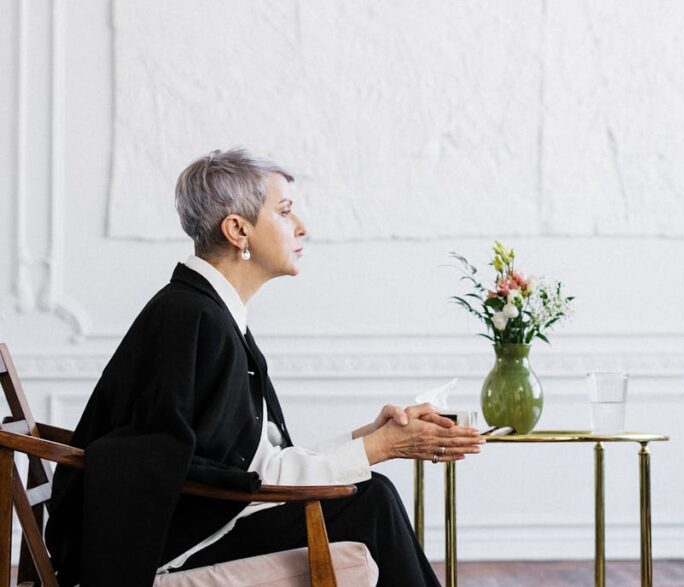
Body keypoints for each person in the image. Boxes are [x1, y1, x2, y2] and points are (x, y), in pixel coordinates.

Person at [46, 148, 483, 587]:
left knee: (373, 496)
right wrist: (383, 447)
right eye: (285, 211)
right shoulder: (198, 319)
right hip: (169, 543)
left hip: (199, 516)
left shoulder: (205, 311)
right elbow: (242, 480)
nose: (301, 227)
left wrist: (367, 436)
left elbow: (252, 461)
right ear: (238, 230)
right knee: (373, 501)